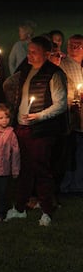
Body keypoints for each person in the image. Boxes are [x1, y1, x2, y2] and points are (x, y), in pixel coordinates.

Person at [5, 36, 68, 227]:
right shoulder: (26, 70)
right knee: (24, 169)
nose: (29, 55)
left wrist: (39, 116)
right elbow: (12, 88)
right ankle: (20, 207)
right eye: (29, 51)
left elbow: (61, 104)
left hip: (41, 131)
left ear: (46, 54)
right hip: (23, 127)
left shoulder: (54, 74)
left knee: (41, 169)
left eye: (34, 52)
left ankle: (47, 209)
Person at [60, 33, 83, 193]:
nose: (73, 49)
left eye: (78, 46)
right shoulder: (63, 65)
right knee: (69, 152)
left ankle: (78, 183)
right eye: (71, 45)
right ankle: (67, 184)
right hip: (69, 117)